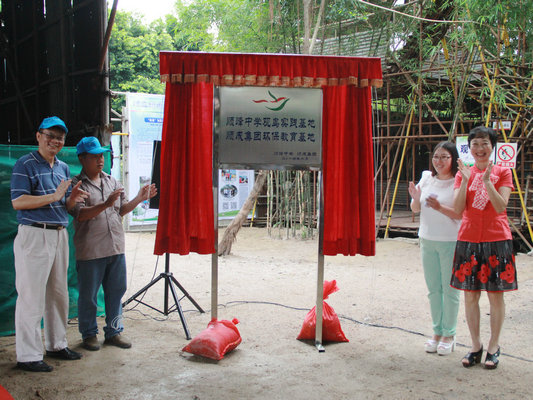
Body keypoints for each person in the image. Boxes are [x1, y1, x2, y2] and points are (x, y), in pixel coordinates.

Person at [11, 116, 89, 372]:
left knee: (58, 293)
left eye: (60, 137)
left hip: (58, 233)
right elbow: (18, 202)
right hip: (34, 234)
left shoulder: (63, 168)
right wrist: (52, 196)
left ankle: (56, 344)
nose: (55, 141)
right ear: (38, 136)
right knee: (31, 296)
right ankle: (28, 356)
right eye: (50, 136)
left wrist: (71, 198)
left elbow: (64, 206)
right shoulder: (25, 164)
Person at [70, 137, 157, 351]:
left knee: (116, 291)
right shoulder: (76, 185)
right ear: (82, 159)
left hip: (115, 247)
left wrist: (139, 198)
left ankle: (114, 332)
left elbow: (121, 210)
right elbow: (79, 215)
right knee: (89, 296)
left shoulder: (112, 181)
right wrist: (106, 203)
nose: (100, 160)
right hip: (91, 251)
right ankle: (89, 334)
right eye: (94, 156)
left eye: (102, 155)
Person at [451, 126, 517, 369]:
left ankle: (493, 346)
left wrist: (487, 181)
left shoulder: (503, 172)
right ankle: (475, 345)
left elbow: (501, 207)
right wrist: (468, 180)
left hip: (496, 239)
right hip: (468, 238)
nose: (479, 149)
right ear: (469, 147)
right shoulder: (462, 174)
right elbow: (458, 210)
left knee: (495, 295)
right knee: (470, 295)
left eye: (484, 144)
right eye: (475, 144)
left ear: (493, 147)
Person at [409, 142, 462, 356]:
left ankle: (449, 334)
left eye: (444, 157)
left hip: (450, 240)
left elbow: (459, 214)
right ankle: (436, 333)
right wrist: (415, 198)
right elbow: (416, 208)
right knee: (433, 290)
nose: (439, 161)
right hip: (427, 239)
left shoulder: (458, 181)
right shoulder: (427, 178)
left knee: (450, 290)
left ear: (453, 160)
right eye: (436, 157)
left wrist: (439, 207)